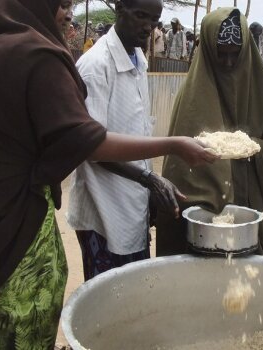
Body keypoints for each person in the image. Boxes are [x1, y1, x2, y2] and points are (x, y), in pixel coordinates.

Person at [0, 0, 216, 347]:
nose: (68, 13)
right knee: (6, 309)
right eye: (60, 4)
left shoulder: (4, 45)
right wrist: (171, 147)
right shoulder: (38, 54)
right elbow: (86, 141)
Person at [156, 8, 263, 257]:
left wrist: (252, 147)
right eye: (221, 55)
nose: (229, 63)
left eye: (236, 55)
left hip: (253, 206)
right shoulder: (191, 97)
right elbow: (181, 171)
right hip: (206, 216)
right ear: (209, 51)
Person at [67, 0, 179, 281]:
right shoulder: (96, 66)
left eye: (153, 20)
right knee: (107, 299)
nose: (147, 27)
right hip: (102, 208)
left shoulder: (138, 60)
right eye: (140, 16)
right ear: (120, 9)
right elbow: (91, 147)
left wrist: (147, 185)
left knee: (134, 293)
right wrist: (148, 179)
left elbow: (137, 133)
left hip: (131, 203)